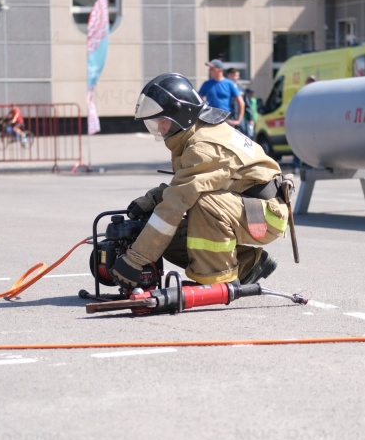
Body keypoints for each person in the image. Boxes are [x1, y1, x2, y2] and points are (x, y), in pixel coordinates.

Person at [110, 73, 292, 288]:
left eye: (162, 122)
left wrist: (135, 260)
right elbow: (191, 182)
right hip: (248, 205)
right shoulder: (196, 133)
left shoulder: (204, 147)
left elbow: (179, 199)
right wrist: (155, 198)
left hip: (265, 215)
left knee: (203, 204)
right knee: (170, 229)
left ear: (181, 115)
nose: (159, 129)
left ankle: (218, 278)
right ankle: (247, 264)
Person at [198, 59, 244, 129]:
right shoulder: (206, 84)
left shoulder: (229, 84)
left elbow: (241, 102)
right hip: (210, 120)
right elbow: (198, 100)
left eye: (212, 69)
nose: (209, 71)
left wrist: (238, 120)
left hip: (225, 120)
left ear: (219, 70)